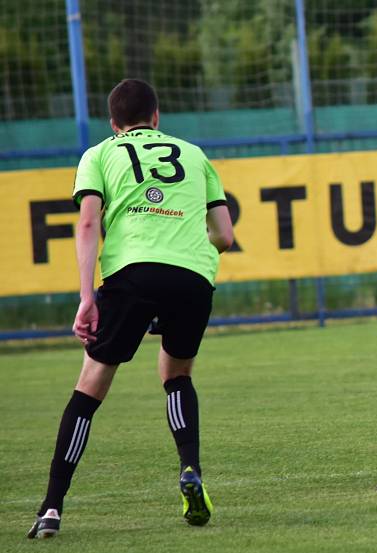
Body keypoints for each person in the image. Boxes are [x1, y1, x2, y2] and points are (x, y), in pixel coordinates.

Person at [27, 79, 234, 538]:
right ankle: (190, 470)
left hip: (132, 272)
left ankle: (52, 508)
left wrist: (86, 296)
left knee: (90, 388)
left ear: (114, 124)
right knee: (176, 374)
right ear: (157, 117)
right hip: (192, 275)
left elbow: (87, 221)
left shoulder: (99, 154)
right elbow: (224, 235)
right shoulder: (194, 153)